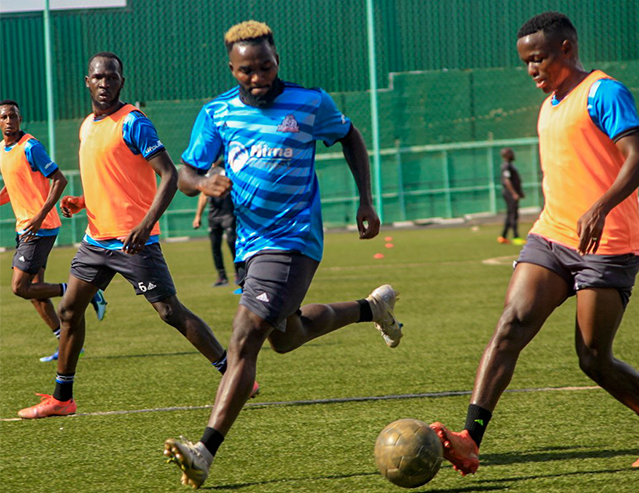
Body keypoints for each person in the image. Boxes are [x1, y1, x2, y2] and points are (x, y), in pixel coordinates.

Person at [431, 11, 639, 476]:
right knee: (510, 326)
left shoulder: (603, 92)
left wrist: (600, 207)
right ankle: (470, 440)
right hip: (551, 236)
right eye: (526, 62)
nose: (532, 69)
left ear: (566, 49)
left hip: (607, 243)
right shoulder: (549, 104)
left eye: (539, 59)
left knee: (593, 358)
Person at [163, 21, 402, 489]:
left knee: (245, 336)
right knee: (288, 337)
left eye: (266, 67)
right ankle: (371, 308)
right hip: (249, 245)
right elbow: (185, 173)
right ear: (232, 69)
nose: (258, 78)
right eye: (246, 70)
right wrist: (204, 182)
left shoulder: (310, 102)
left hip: (294, 240)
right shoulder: (217, 114)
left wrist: (366, 200)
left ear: (277, 61)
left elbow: (350, 135)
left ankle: (203, 451)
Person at [16, 52, 250, 419]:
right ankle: (63, 398)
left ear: (121, 82)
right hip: (95, 241)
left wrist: (145, 225)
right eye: (98, 77)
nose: (105, 83)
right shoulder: (87, 126)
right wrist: (81, 201)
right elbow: (110, 177)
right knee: (69, 310)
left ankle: (235, 375)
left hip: (133, 241)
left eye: (112, 77)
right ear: (87, 82)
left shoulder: (133, 122)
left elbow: (170, 175)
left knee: (169, 312)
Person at [0, 100, 106, 363]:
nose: (9, 120)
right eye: (4, 117)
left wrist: (39, 216)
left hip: (40, 228)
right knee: (36, 294)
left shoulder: (31, 147)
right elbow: (13, 186)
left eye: (13, 116)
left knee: (20, 287)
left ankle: (82, 291)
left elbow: (59, 179)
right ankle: (65, 343)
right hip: (26, 227)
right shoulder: (3, 149)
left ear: (20, 119)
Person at [192, 160, 240, 288]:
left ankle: (239, 274)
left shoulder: (229, 166)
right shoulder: (206, 171)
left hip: (228, 214)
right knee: (215, 247)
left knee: (232, 243)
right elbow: (203, 196)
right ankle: (222, 276)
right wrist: (198, 216)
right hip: (213, 216)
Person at [497, 147, 525, 245]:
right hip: (509, 193)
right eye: (510, 153)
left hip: (510, 193)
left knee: (510, 214)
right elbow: (507, 181)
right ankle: (516, 237)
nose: (513, 154)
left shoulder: (510, 165)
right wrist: (514, 193)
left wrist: (520, 192)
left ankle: (503, 236)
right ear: (507, 155)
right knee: (513, 215)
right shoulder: (506, 166)